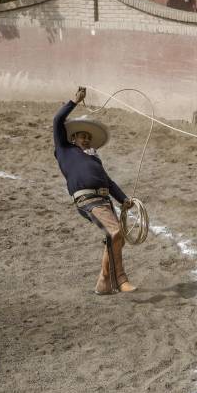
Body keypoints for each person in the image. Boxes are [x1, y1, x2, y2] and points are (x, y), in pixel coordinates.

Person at [53, 86, 136, 295]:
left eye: (88, 137)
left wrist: (123, 199)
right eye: (82, 136)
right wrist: (74, 101)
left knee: (116, 238)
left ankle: (104, 283)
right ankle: (121, 280)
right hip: (87, 200)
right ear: (73, 138)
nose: (86, 140)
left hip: (104, 200)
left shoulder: (94, 159)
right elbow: (57, 122)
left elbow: (108, 180)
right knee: (115, 232)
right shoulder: (64, 150)